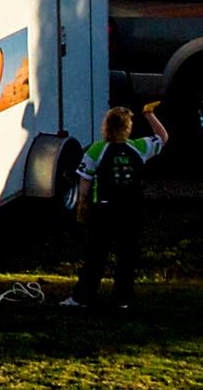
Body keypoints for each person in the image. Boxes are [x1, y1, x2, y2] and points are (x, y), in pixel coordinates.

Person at [69, 99, 167, 311]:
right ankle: (122, 299)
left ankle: (82, 297)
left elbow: (84, 181)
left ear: (106, 126)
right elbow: (163, 138)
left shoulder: (97, 150)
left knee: (96, 255)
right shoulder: (138, 147)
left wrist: (82, 206)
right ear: (127, 128)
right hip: (131, 209)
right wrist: (149, 115)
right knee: (127, 256)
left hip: (104, 209)